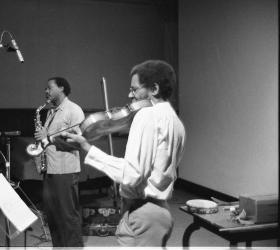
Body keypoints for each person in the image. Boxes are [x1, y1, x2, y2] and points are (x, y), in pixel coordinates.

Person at [61, 60, 186, 246]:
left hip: (143, 213)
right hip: (160, 213)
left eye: (134, 89)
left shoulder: (146, 115)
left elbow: (132, 175)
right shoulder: (176, 121)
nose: (130, 95)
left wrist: (86, 147)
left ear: (154, 88)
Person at [34, 77, 85, 247]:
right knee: (53, 217)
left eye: (49, 88)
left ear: (61, 88)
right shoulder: (50, 112)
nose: (46, 91)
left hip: (65, 171)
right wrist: (40, 147)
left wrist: (47, 138)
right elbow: (46, 141)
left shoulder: (74, 110)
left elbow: (78, 142)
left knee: (68, 216)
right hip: (50, 170)